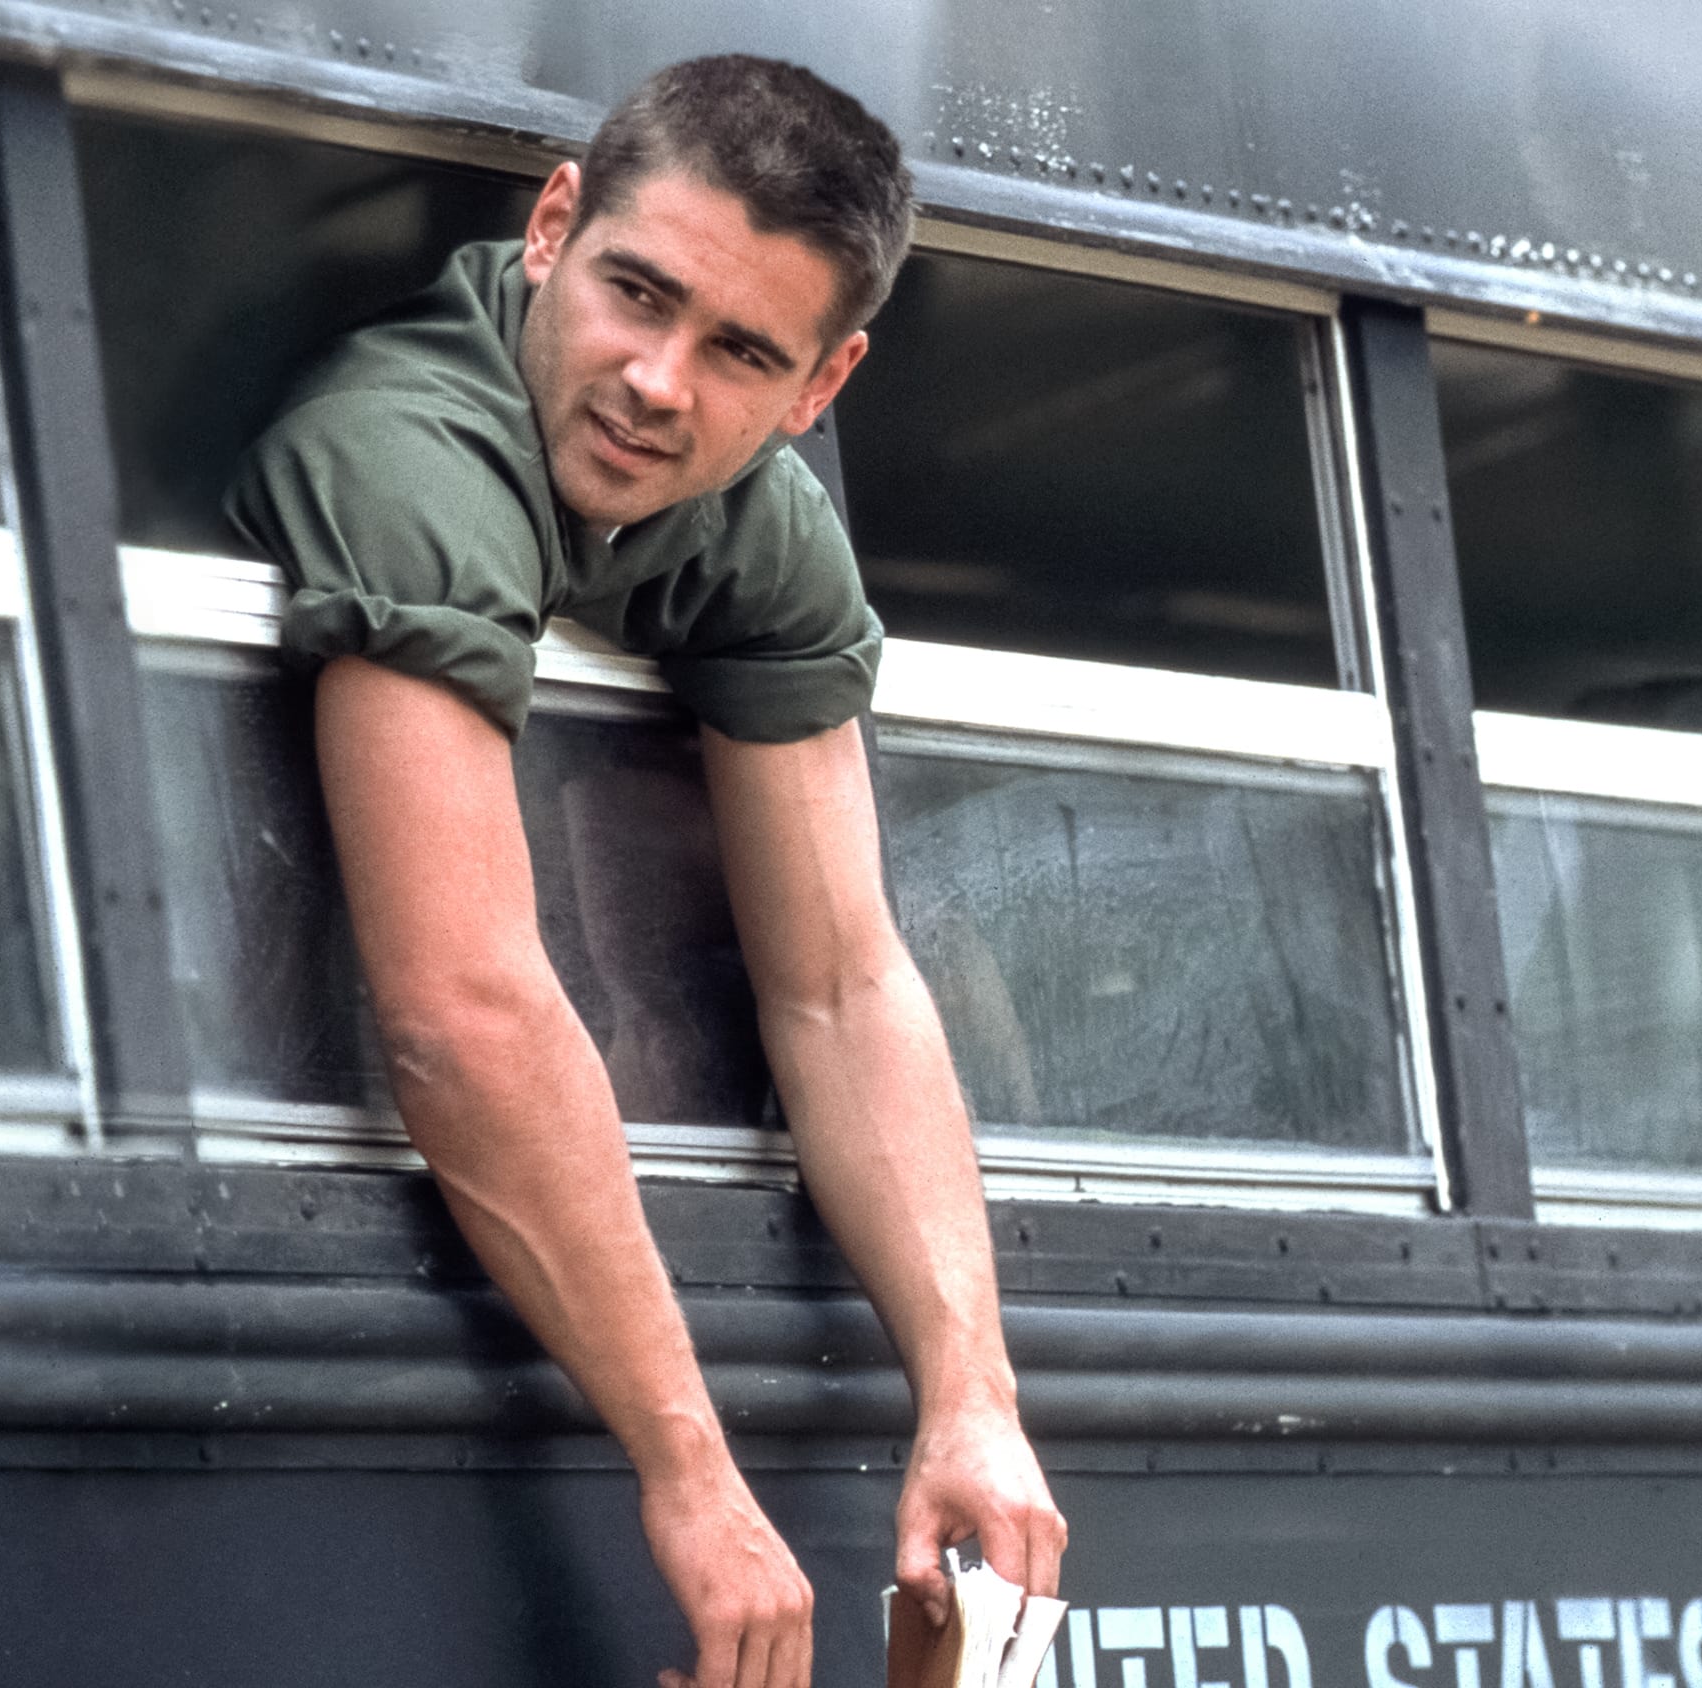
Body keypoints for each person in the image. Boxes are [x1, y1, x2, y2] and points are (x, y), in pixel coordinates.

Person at [225, 54, 1065, 1688]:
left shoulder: (753, 518)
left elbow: (841, 982)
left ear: (822, 386)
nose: (658, 383)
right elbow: (463, 1009)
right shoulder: (407, 451)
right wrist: (692, 1476)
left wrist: (974, 1395)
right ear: (553, 225)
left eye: (742, 351)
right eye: (637, 293)